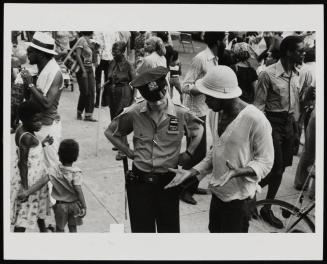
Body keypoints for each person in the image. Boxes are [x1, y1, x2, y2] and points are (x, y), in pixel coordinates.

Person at [165, 66, 274, 233]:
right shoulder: (215, 114)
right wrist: (192, 172)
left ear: (224, 96)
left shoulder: (256, 119)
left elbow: (266, 162)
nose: (205, 101)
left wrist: (237, 172)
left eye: (208, 97)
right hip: (217, 194)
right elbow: (214, 152)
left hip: (239, 199)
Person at [104, 66, 204, 233]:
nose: (158, 103)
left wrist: (189, 152)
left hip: (168, 182)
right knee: (142, 232)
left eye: (160, 98)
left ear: (165, 90)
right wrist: (127, 151)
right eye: (152, 101)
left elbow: (198, 130)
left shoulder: (180, 113)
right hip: (140, 182)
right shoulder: (135, 112)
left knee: (169, 232)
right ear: (144, 97)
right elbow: (111, 131)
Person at [254, 35, 305, 228]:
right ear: (288, 52)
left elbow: (295, 102)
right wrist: (264, 133)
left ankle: (265, 205)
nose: (303, 53)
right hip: (272, 123)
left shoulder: (297, 73)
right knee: (274, 168)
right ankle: (254, 199)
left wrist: (296, 125)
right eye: (299, 50)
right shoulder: (268, 74)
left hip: (289, 124)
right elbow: (258, 106)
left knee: (282, 169)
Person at [180, 31, 226, 205]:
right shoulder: (201, 59)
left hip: (206, 110)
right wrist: (206, 88)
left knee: (201, 154)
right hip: (193, 112)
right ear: (217, 41)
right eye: (224, 40)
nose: (225, 43)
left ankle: (191, 185)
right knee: (194, 154)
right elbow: (186, 86)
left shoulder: (214, 59)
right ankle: (183, 189)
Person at [20, 32, 64, 209]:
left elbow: (46, 103)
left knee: (52, 166)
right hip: (40, 125)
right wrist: (27, 85)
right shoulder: (44, 69)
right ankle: (45, 200)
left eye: (30, 51)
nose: (27, 54)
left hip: (48, 126)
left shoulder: (55, 73)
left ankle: (56, 204)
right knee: (38, 164)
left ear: (41, 54)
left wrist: (30, 84)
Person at [17, 139, 87, 233]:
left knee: (60, 228)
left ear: (59, 155)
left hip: (60, 206)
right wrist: (84, 206)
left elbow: (41, 183)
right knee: (73, 228)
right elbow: (78, 190)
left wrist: (27, 192)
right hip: (74, 205)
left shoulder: (54, 170)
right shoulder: (76, 173)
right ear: (76, 157)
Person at [10, 101, 54, 232]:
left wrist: (43, 143)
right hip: (30, 180)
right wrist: (25, 188)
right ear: (25, 120)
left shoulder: (22, 129)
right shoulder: (27, 137)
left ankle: (43, 229)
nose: (39, 123)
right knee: (24, 213)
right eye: (35, 120)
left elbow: (31, 152)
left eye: (40, 119)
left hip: (34, 175)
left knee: (37, 205)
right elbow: (22, 162)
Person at [105, 41, 136, 160]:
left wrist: (133, 99)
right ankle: (119, 143)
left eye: (116, 51)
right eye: (112, 51)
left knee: (121, 120)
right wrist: (105, 83)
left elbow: (135, 82)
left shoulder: (129, 64)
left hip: (124, 93)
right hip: (112, 93)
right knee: (114, 118)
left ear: (122, 52)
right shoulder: (112, 62)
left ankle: (124, 150)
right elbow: (111, 77)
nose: (113, 54)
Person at [93, 31, 120, 108]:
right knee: (108, 79)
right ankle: (105, 101)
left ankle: (99, 102)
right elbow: (117, 44)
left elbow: (95, 46)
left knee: (99, 79)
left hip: (101, 58)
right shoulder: (114, 31)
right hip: (110, 58)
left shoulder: (97, 31)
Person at [75, 31, 97, 122]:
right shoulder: (81, 40)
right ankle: (79, 112)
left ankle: (88, 115)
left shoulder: (91, 41)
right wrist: (83, 70)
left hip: (90, 68)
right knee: (85, 92)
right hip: (82, 69)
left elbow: (92, 56)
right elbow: (78, 55)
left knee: (92, 91)